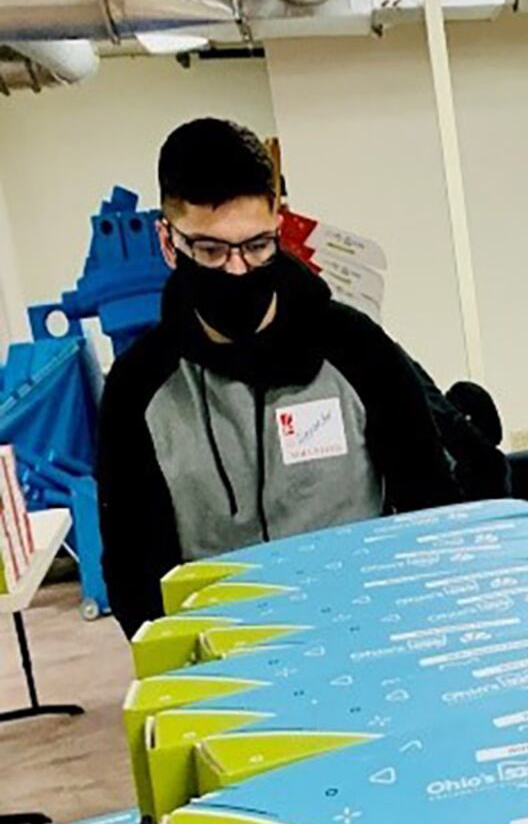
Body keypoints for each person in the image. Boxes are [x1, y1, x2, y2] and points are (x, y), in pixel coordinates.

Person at [97, 117, 457, 637]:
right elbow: (133, 569)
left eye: (258, 245)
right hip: (228, 663)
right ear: (168, 242)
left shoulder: (355, 348)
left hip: (372, 638)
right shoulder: (139, 387)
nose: (238, 270)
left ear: (279, 228)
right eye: (211, 250)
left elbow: (432, 504)